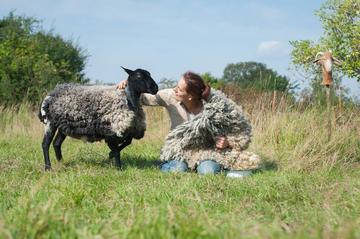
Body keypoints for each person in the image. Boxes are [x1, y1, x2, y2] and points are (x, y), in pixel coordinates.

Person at [117, 71, 259, 177]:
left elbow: (241, 129)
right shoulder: (170, 96)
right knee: (178, 170)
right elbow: (143, 99)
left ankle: (207, 166)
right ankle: (172, 164)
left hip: (206, 151)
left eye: (179, 88)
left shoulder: (215, 105)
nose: (174, 89)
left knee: (208, 172)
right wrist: (128, 85)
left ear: (190, 96)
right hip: (179, 149)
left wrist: (228, 142)